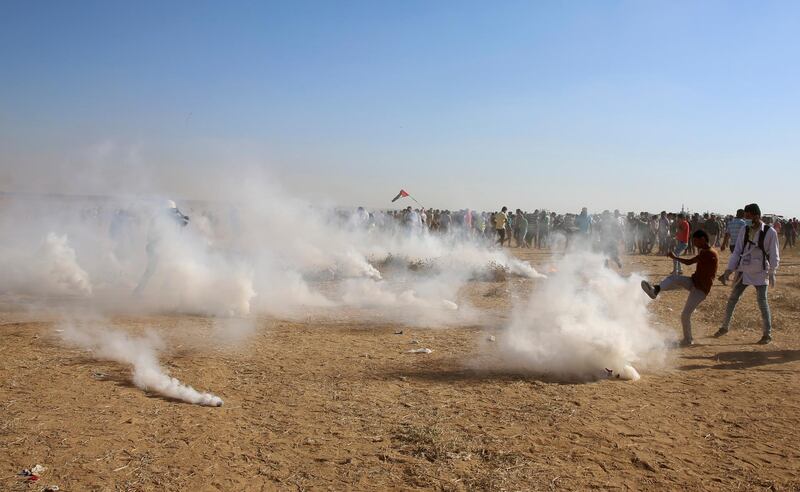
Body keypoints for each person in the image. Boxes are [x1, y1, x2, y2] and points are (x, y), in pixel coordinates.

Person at [715, 203, 780, 344]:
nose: (747, 219)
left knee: (762, 302)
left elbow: (774, 254)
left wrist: (772, 271)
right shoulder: (744, 230)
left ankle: (767, 334)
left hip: (761, 272)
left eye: (749, 216)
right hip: (743, 270)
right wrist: (729, 270)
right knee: (732, 299)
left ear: (757, 215)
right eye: (746, 216)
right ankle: (724, 327)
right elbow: (737, 251)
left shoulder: (770, 232)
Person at [641, 230, 718, 346]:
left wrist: (674, 257)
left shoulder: (709, 253)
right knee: (673, 278)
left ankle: (688, 339)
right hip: (694, 282)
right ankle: (655, 290)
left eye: (696, 241)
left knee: (685, 315)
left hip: (700, 290)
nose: (695, 244)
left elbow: (689, 262)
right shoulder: (705, 251)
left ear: (703, 239)